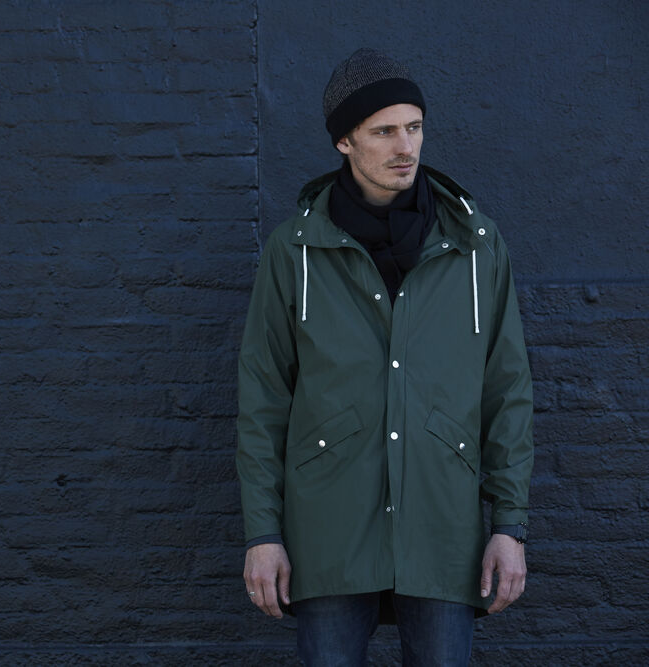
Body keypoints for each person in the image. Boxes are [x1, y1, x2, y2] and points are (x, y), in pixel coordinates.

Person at [235, 48, 534, 666]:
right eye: (384, 131)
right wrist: (263, 533)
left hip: (442, 530)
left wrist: (509, 525)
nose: (406, 147)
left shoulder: (476, 246)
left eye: (414, 127)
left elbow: (507, 392)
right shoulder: (295, 251)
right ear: (344, 141)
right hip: (330, 531)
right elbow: (263, 398)